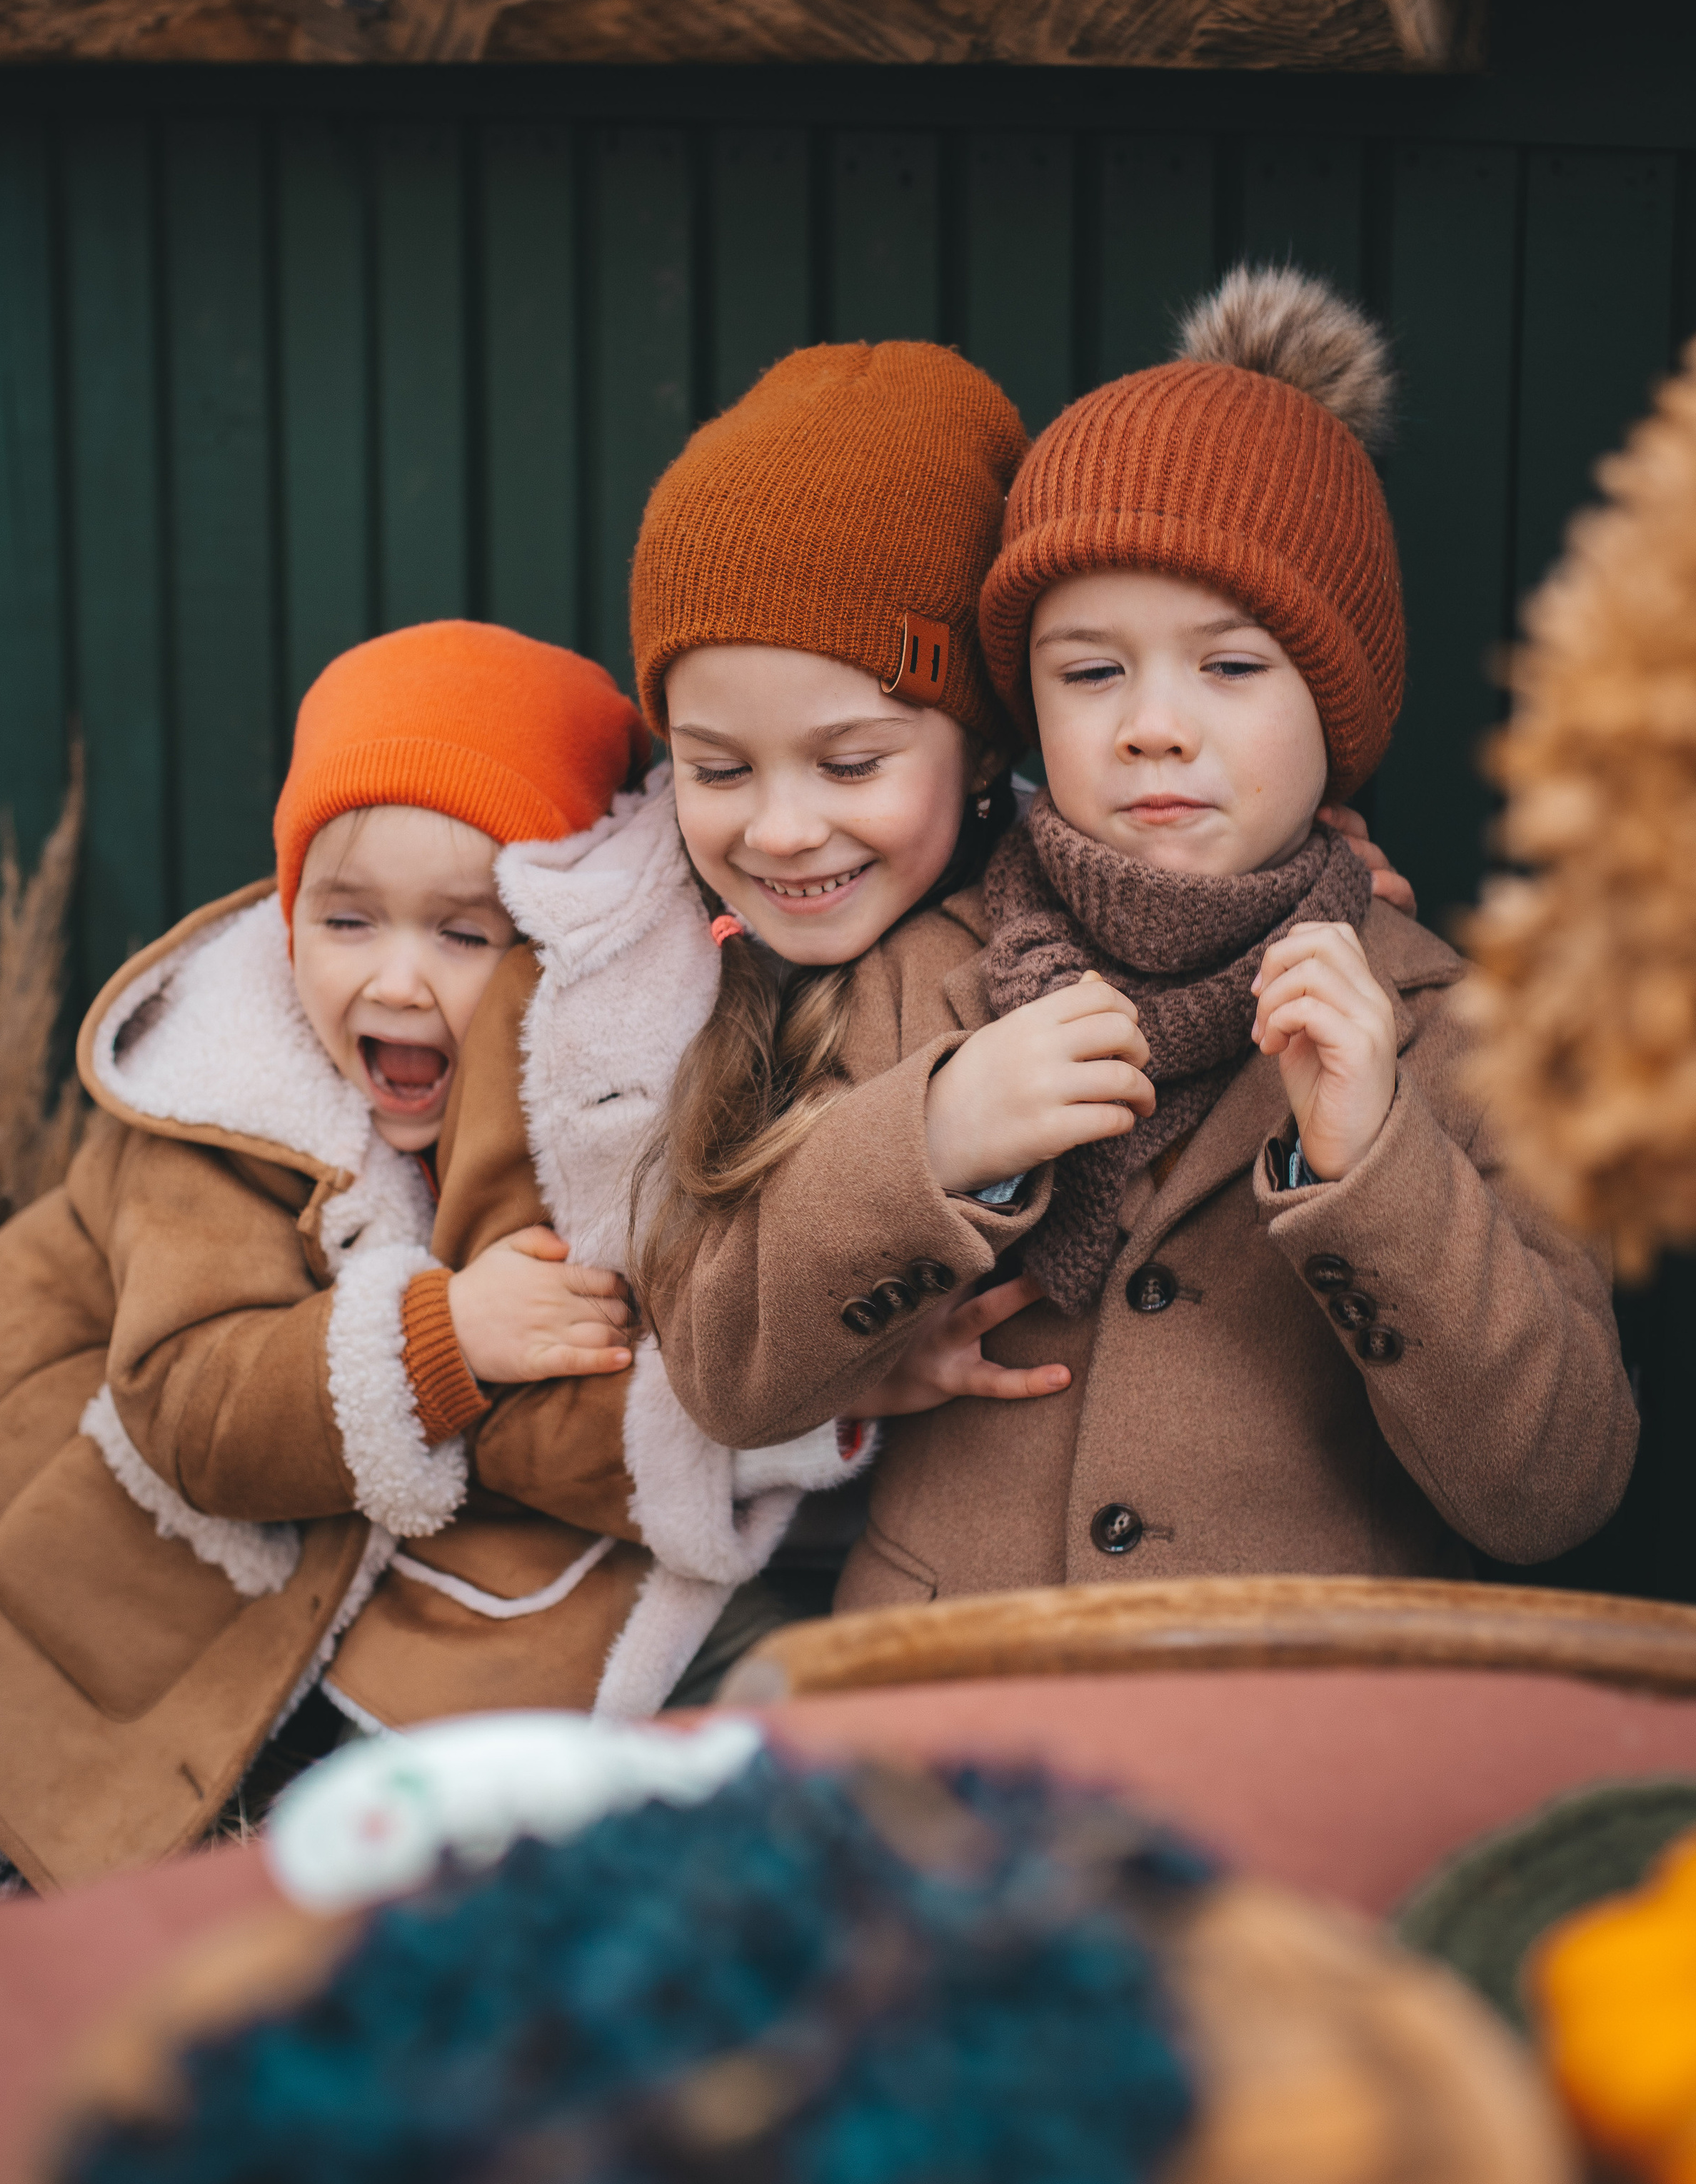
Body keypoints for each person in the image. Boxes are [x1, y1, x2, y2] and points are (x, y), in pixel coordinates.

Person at [435, 335, 1417, 1697]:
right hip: (594, 1596)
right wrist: (852, 1382)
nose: (783, 827)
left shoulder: (1305, 960)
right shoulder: (596, 984)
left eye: (848, 760)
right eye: (716, 767)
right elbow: (582, 1358)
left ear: (984, 750)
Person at [647, 269, 1640, 1601]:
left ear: (1337, 705)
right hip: (947, 1722)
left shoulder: (1456, 1028)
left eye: (1231, 669)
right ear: (1025, 708)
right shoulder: (917, 971)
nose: (1153, 725)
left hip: (1285, 1738)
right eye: (1091, 670)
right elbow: (725, 1375)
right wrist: (928, 1142)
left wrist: (1378, 1169)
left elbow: (1553, 1492)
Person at [0, 620, 654, 1898]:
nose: (399, 981)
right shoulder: (222, 1112)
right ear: (288, 909)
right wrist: (443, 1337)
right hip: (24, 1649)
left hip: (227, 1682)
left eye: (467, 936)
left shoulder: (569, 1126)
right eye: (349, 919)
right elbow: (189, 1405)